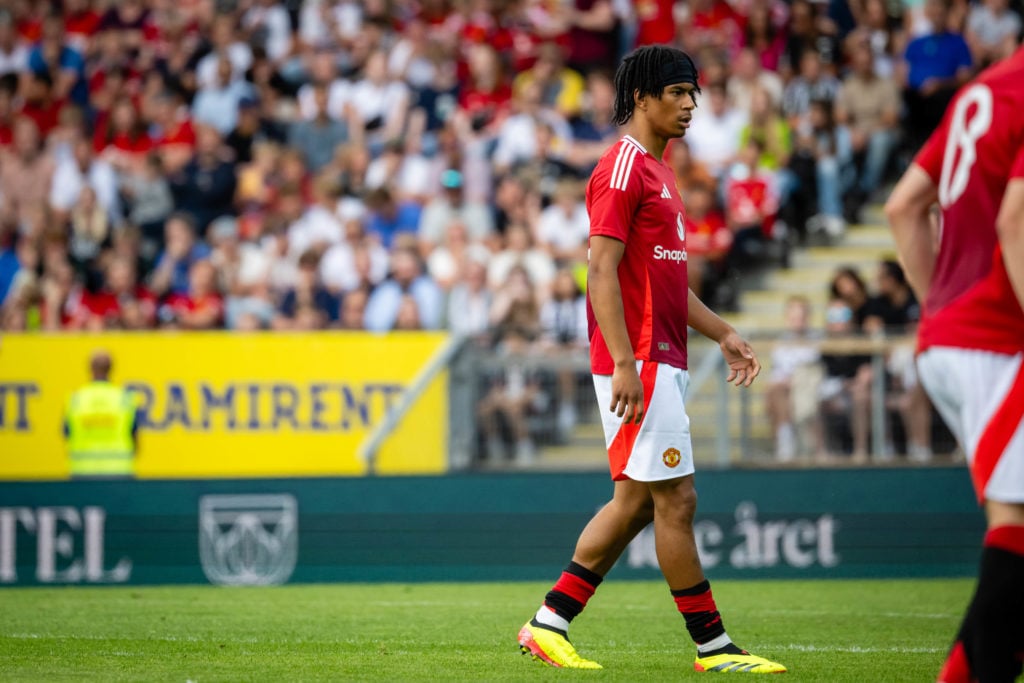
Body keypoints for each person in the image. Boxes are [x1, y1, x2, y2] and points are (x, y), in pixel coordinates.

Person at [516, 45, 786, 675]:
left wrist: (723, 332)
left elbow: (667, 280)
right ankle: (714, 648)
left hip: (663, 354)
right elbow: (599, 272)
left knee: (637, 502)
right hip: (639, 357)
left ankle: (548, 624)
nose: (691, 105)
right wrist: (624, 364)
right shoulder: (621, 170)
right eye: (679, 93)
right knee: (677, 500)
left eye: (694, 95)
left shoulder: (661, 174)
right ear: (642, 97)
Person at [885, 44, 1024, 683]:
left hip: (952, 337)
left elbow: (904, 205)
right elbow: (1017, 219)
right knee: (1014, 528)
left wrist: (938, 308)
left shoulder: (984, 90)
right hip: (998, 338)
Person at [63, 350, 139, 478]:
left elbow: (66, 433)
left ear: (90, 369)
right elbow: (135, 437)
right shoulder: (124, 399)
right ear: (111, 369)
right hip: (119, 471)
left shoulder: (77, 399)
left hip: (82, 471)